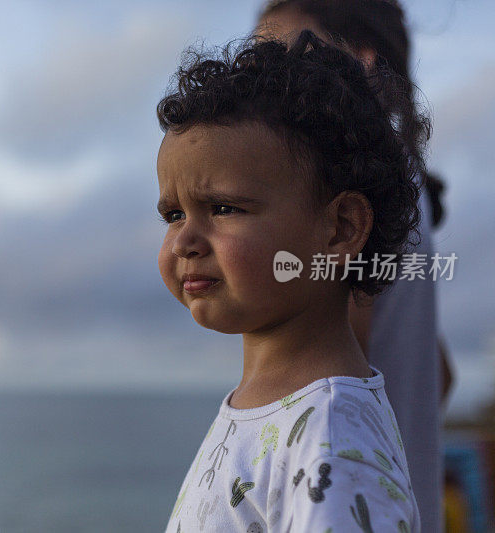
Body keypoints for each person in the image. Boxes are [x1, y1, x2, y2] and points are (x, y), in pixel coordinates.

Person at [157, 31, 425, 531]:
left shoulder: (333, 435)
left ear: (341, 227)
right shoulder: (271, 409)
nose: (184, 241)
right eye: (173, 213)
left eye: (223, 208)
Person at [256, 2, 449, 529]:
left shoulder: (344, 182)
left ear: (362, 65)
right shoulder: (400, 182)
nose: (257, 79)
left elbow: (329, 365)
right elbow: (442, 374)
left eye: (279, 57)